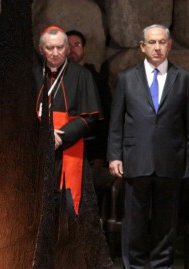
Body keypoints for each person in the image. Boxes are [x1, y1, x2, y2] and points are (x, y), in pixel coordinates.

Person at [107, 24, 189, 269]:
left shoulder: (185, 78)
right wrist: (114, 156)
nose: (157, 47)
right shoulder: (126, 78)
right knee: (133, 220)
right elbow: (116, 122)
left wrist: (186, 158)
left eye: (162, 42)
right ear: (142, 47)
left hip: (170, 159)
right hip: (136, 158)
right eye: (151, 42)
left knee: (165, 222)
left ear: (169, 45)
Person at [34, 26, 102, 215]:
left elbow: (90, 116)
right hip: (37, 150)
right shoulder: (33, 75)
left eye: (59, 47)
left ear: (66, 48)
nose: (55, 53)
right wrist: (44, 135)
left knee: (68, 209)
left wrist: (60, 136)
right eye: (49, 48)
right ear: (41, 49)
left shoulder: (82, 75)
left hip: (68, 147)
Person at [66, 29, 113, 217]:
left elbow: (106, 119)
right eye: (68, 45)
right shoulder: (56, 80)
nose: (72, 50)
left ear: (84, 48)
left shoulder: (97, 80)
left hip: (92, 151)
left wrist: (101, 154)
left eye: (76, 45)